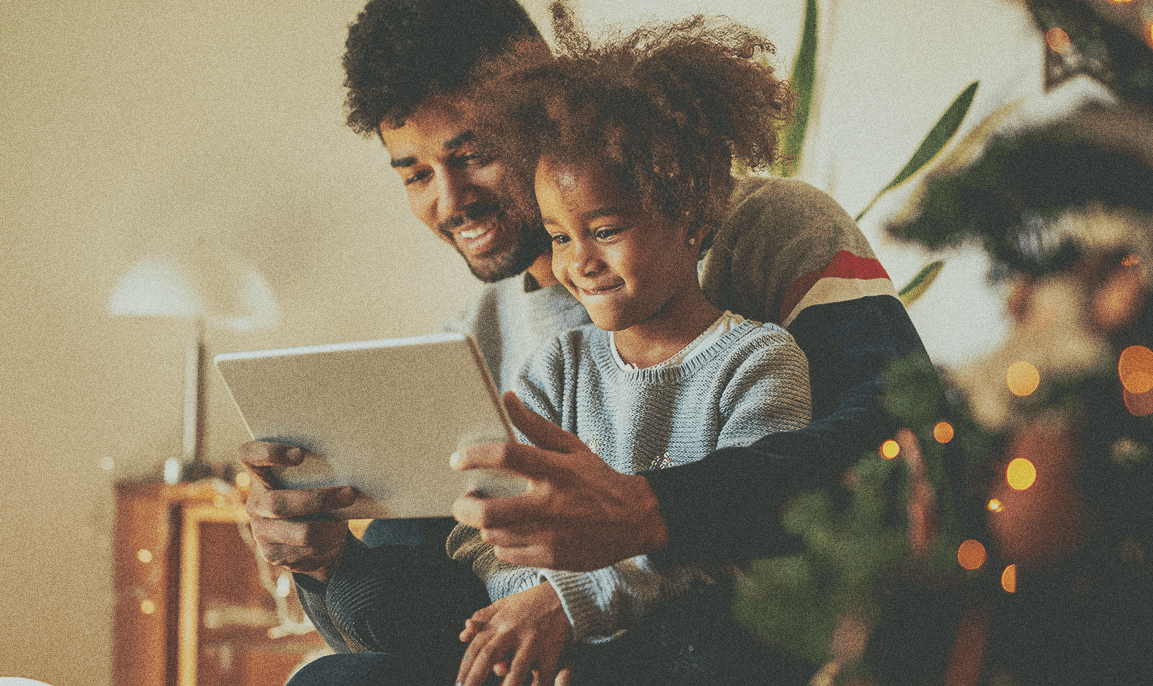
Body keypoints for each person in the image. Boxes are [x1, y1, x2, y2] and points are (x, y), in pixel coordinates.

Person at [239, 0, 931, 683]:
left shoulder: (771, 232)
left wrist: (651, 514)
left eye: (471, 154)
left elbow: (902, 442)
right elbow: (444, 598)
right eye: (415, 174)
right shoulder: (478, 339)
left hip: (726, 639)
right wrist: (328, 562)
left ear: (544, 104)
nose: (449, 202)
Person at [444, 18, 813, 685]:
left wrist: (571, 605)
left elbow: (738, 545)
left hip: (688, 650)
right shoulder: (557, 369)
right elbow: (503, 539)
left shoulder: (760, 362)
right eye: (558, 237)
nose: (578, 263)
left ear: (695, 216)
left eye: (605, 229)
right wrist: (538, 618)